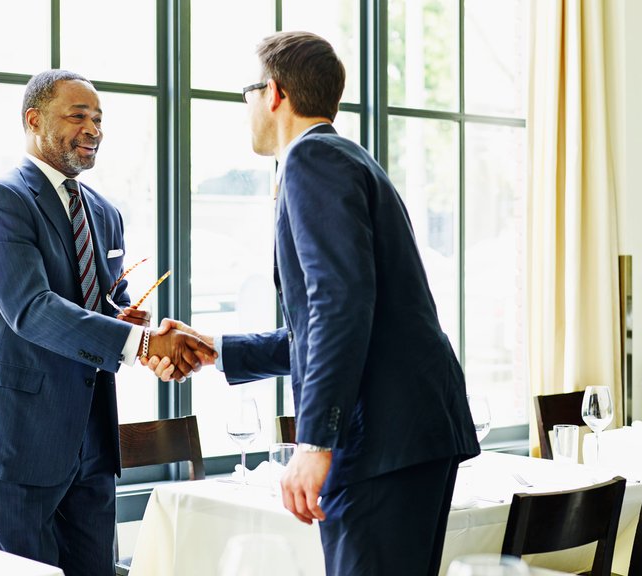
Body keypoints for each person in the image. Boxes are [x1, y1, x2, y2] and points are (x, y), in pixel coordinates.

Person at [148, 32, 480, 576]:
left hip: (380, 439)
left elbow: (339, 308)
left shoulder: (311, 161)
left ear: (274, 92)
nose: (246, 106)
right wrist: (217, 348)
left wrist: (314, 442)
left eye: (248, 92)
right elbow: (340, 317)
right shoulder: (347, 159)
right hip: (410, 430)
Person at [0, 69, 214, 576]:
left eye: (98, 118)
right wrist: (139, 342)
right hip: (15, 437)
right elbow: (31, 310)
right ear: (34, 120)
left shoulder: (105, 212)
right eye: (78, 116)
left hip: (93, 437)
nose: (93, 128)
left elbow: (105, 300)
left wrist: (124, 315)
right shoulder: (0, 201)